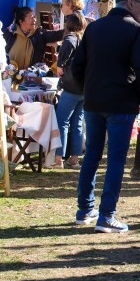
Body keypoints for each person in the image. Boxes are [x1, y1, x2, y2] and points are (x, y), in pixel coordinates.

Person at [70, 0, 140, 232]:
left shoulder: (94, 28)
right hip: (121, 104)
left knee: (92, 157)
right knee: (115, 159)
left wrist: (89, 88)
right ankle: (106, 215)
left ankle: (85, 209)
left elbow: (78, 65)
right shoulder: (135, 30)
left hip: (94, 101)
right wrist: (138, 94)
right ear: (130, 3)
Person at [53, 12, 88, 169]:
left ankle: (58, 158)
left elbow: (61, 63)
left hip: (71, 86)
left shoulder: (70, 38)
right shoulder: (85, 39)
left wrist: (60, 66)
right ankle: (74, 158)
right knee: (77, 123)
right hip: (83, 87)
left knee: (62, 121)